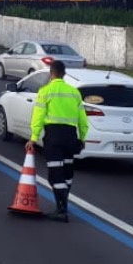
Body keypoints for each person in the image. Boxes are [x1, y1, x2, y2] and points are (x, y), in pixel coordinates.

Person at [25, 60, 89, 223]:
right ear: (64, 74)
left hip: (54, 136)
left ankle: (62, 210)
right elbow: (83, 119)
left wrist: (33, 137)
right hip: (71, 136)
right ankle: (63, 205)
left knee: (55, 174)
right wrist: (82, 138)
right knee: (67, 172)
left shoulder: (45, 91)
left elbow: (38, 116)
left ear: (51, 73)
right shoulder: (74, 93)